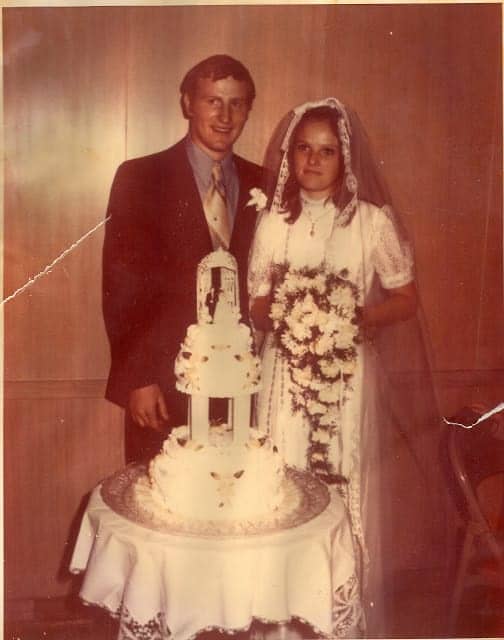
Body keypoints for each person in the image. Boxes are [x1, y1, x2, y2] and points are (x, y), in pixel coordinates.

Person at [248, 98, 443, 636]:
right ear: (291, 156)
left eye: (326, 151)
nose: (313, 160)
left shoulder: (372, 222)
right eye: (304, 149)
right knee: (284, 490)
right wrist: (292, 309)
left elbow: (406, 297)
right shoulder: (273, 222)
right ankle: (280, 622)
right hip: (284, 379)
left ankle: (335, 620)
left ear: (346, 159)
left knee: (339, 485)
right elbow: (256, 303)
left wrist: (355, 316)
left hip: (345, 378)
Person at [102, 54, 264, 463]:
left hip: (242, 385)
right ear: (188, 103)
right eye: (213, 101)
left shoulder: (264, 182)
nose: (225, 115)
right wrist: (138, 378)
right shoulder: (141, 177)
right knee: (160, 507)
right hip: (162, 383)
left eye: (237, 103)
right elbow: (121, 287)